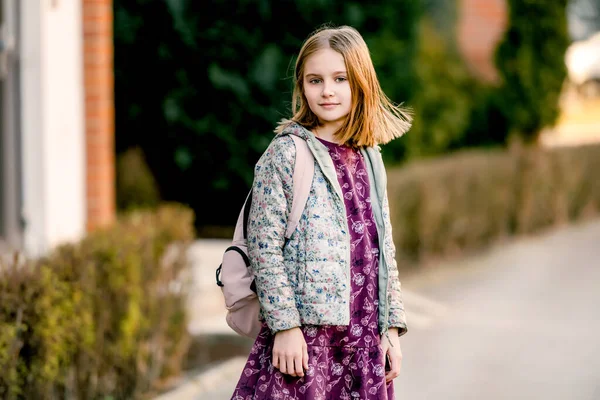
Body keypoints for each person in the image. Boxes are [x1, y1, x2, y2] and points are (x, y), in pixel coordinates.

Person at [231, 23, 411, 400]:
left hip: (363, 342)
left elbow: (384, 249)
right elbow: (264, 249)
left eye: (340, 78)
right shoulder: (286, 154)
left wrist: (390, 328)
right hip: (305, 347)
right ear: (302, 87)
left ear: (361, 82)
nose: (327, 90)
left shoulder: (370, 158)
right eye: (315, 80)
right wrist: (284, 327)